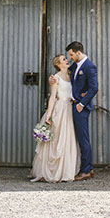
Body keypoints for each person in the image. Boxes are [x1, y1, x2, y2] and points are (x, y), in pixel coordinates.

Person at [30, 54, 80, 182]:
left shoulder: (71, 75)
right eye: (64, 59)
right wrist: (48, 114)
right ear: (58, 64)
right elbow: (53, 97)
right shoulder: (55, 78)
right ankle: (53, 170)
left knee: (68, 138)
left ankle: (66, 170)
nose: (67, 60)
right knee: (57, 138)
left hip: (70, 108)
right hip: (60, 108)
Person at [65, 41, 98, 181]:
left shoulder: (90, 66)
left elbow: (94, 88)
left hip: (80, 107)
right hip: (74, 104)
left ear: (78, 53)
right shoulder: (75, 65)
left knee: (83, 138)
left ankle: (85, 170)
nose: (70, 57)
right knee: (79, 137)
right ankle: (89, 169)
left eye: (72, 55)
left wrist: (82, 104)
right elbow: (64, 72)